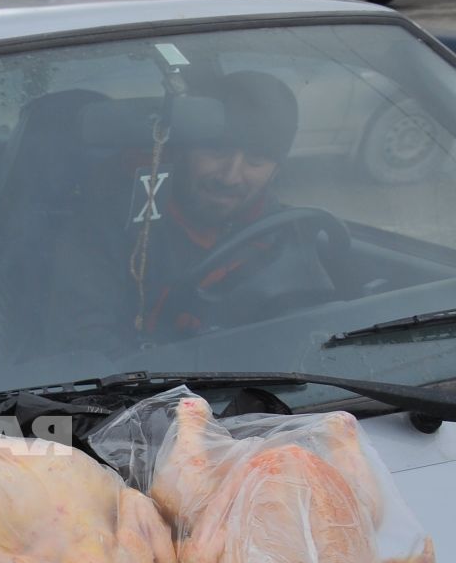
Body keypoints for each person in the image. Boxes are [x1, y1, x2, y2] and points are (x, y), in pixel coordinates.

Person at [47, 69, 329, 352]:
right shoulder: (112, 220)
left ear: (275, 172)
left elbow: (305, 338)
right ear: (181, 150)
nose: (230, 177)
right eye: (216, 152)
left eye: (255, 162)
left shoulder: (281, 235)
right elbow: (84, 345)